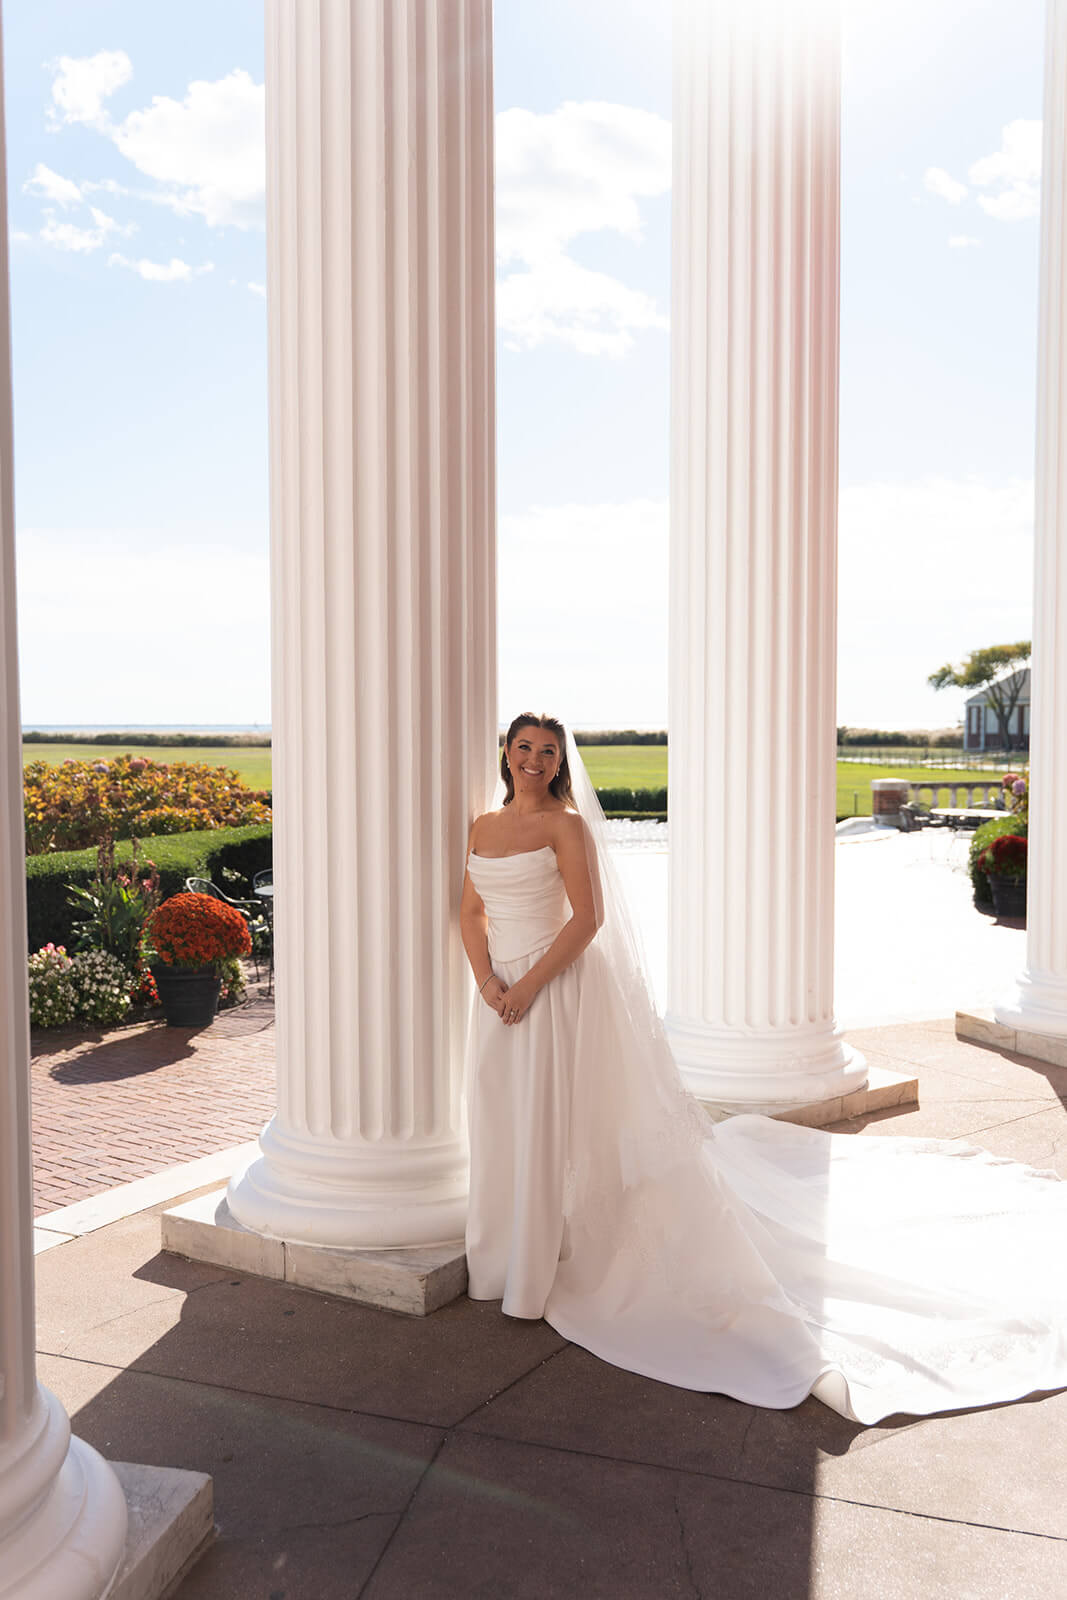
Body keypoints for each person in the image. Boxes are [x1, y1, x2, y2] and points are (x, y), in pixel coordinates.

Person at [461, 713, 1067, 1425]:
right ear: (506, 752)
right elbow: (470, 910)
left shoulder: (566, 826)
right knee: (501, 1117)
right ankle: (504, 1254)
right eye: (524, 747)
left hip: (553, 990)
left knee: (549, 1118)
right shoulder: (479, 825)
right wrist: (488, 983)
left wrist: (529, 986)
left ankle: (539, 1264)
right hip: (497, 995)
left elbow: (587, 920)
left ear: (560, 764)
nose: (533, 759)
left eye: (547, 752)